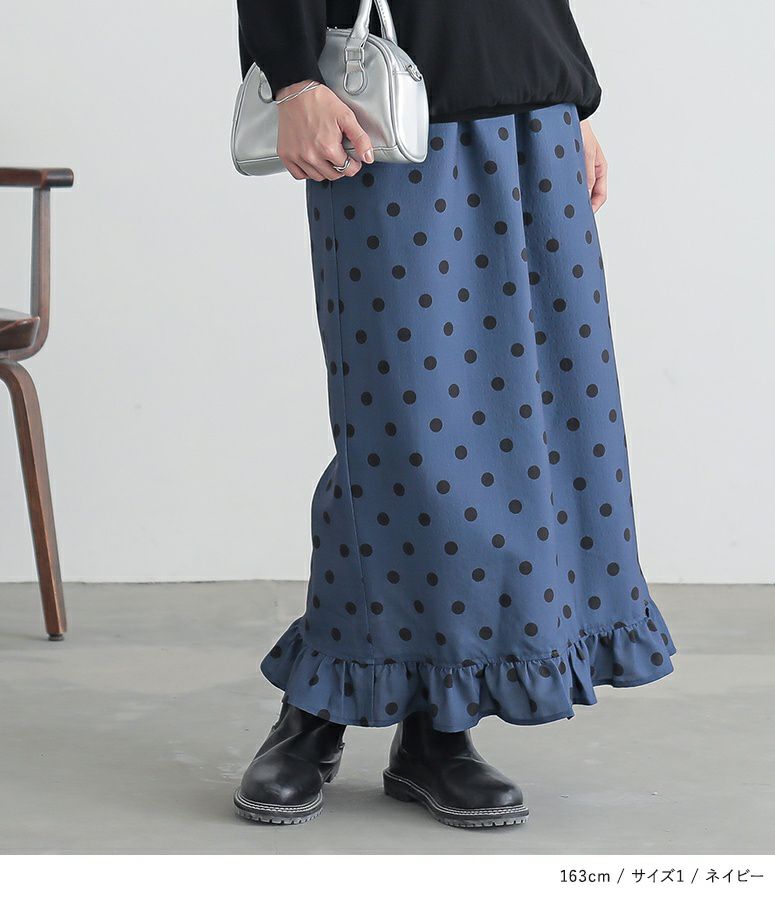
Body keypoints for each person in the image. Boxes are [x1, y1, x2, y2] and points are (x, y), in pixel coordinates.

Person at [233, 0, 676, 829]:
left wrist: (569, 98)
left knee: (540, 433)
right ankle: (318, 707)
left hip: (536, 112)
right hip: (393, 105)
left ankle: (438, 724)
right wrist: (291, 76)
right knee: (402, 438)